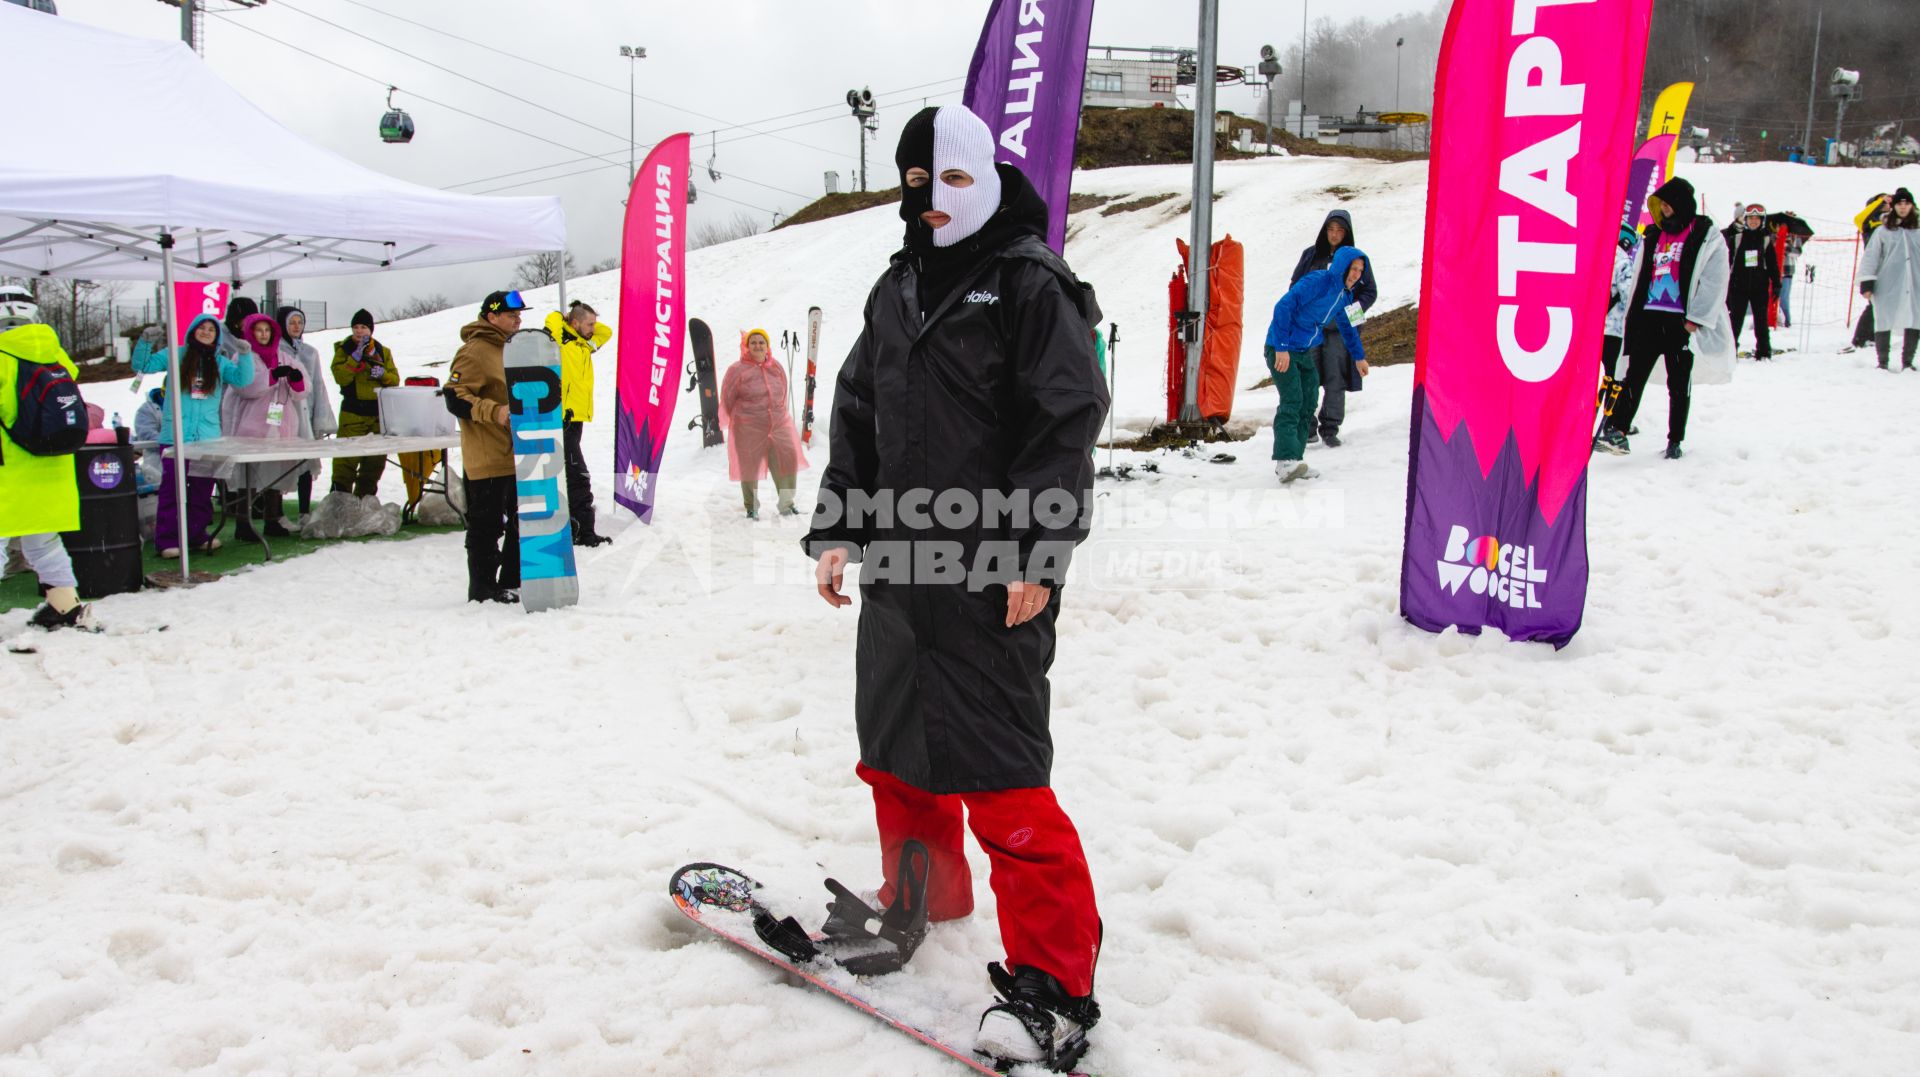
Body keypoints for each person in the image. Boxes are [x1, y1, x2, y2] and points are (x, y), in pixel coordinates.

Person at [804, 104, 1109, 1072]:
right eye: (913, 188)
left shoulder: (1029, 283)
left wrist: (1034, 547)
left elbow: (1067, 416)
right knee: (896, 757)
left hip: (991, 571)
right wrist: (841, 526)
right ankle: (921, 902)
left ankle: (1053, 985)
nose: (930, 207)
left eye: (949, 186)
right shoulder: (894, 289)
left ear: (982, 177)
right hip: (901, 564)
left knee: (1003, 779)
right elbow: (856, 414)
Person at [1595, 176, 1731, 460]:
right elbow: (1639, 276)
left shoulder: (1705, 233)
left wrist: (1696, 318)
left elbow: (1715, 277)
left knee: (1679, 382)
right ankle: (1618, 429)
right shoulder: (1655, 234)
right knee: (1634, 374)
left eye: (1668, 205)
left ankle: (1675, 439)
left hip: (1681, 319)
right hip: (1649, 316)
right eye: (1661, 205)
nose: (1664, 210)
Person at [0, 302, 94, 631]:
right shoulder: (56, 358)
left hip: (9, 472)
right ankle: (65, 606)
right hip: (53, 470)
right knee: (44, 542)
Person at [130, 313, 254, 555]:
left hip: (207, 439)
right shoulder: (176, 355)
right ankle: (167, 540)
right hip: (175, 436)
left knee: (201, 491)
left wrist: (246, 354)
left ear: (217, 336)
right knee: (172, 491)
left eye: (212, 329)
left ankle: (196, 535)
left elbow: (244, 379)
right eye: (202, 327)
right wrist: (145, 342)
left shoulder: (220, 362)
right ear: (192, 330)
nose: (207, 332)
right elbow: (142, 366)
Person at [447, 290, 527, 604]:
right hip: (487, 455)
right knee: (487, 524)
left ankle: (510, 579)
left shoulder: (513, 347)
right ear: (491, 317)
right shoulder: (476, 351)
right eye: (511, 315)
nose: (518, 319)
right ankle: (482, 588)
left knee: (521, 518)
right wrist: (494, 411)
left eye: (520, 314)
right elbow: (455, 396)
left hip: (516, 452)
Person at [1264, 247, 1369, 483]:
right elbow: (1283, 307)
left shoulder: (1347, 296)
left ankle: (1295, 460)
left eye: (1360, 271)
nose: (1356, 274)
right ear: (1342, 265)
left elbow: (1350, 328)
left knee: (1309, 400)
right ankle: (1285, 461)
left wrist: (1359, 357)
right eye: (1353, 268)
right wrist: (1281, 347)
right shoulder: (1318, 280)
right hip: (1281, 348)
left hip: (1303, 351)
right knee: (1292, 400)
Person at [1288, 210, 1377, 446]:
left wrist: (1351, 314)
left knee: (1335, 379)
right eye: (1331, 229)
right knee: (1308, 375)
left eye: (1340, 230)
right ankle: (1307, 427)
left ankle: (1330, 428)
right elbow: (1295, 286)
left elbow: (1370, 292)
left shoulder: (1356, 259)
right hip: (1312, 329)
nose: (1335, 234)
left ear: (1347, 233)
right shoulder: (1311, 255)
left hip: (1339, 331)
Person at [221, 313, 307, 539]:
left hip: (279, 425)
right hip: (251, 425)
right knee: (248, 475)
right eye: (258, 330)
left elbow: (302, 390)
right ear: (250, 332)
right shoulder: (242, 357)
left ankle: (272, 519)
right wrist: (271, 377)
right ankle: (243, 522)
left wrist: (295, 379)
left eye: (267, 330)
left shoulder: (284, 357)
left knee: (275, 472)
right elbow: (245, 387)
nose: (263, 334)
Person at [720, 327, 808, 519]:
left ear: (767, 346)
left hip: (777, 423)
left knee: (788, 460)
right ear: (746, 346)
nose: (758, 346)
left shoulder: (775, 367)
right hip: (748, 425)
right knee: (749, 467)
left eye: (762, 342)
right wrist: (741, 419)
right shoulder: (737, 370)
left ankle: (787, 503)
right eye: (753, 342)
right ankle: (751, 507)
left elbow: (783, 392)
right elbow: (727, 398)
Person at [543, 301, 612, 546]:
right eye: (589, 323)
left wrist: (585, 319)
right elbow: (550, 323)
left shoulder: (585, 344)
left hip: (577, 419)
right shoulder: (562, 343)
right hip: (564, 418)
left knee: (570, 475)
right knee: (578, 476)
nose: (594, 328)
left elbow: (607, 332)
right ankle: (584, 532)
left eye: (594, 323)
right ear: (573, 324)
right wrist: (562, 316)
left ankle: (574, 528)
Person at [330, 309, 397, 497]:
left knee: (374, 464)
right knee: (346, 463)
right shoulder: (343, 350)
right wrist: (354, 358)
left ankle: (364, 505)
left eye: (364, 327)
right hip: (352, 415)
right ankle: (339, 505)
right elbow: (340, 377)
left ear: (371, 330)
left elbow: (395, 379)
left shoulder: (383, 352)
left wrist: (384, 375)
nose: (359, 331)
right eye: (356, 327)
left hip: (377, 416)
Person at [277, 306, 335, 519]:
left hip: (306, 415)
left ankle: (304, 511)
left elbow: (318, 384)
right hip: (283, 414)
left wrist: (321, 418)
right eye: (291, 322)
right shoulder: (276, 350)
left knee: (306, 463)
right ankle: (275, 512)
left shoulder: (310, 352)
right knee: (280, 462)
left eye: (299, 323)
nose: (296, 327)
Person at [1859, 187, 1920, 372]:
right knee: (1883, 318)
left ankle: (1907, 362)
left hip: (1915, 282)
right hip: (1887, 282)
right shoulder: (1883, 230)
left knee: (1915, 318)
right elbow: (1871, 257)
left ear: (1912, 206)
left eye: (1906, 203)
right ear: (1893, 206)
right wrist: (1867, 283)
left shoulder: (1917, 230)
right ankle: (1883, 361)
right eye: (1899, 203)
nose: (1903, 207)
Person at [1723, 203, 1778, 359]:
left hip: (1759, 288)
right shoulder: (1737, 238)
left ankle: (1764, 351)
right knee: (1735, 321)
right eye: (1751, 219)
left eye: (1757, 219)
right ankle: (1729, 352)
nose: (1754, 222)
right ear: (1746, 220)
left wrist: (1776, 285)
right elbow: (1726, 259)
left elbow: (1773, 264)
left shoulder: (1766, 240)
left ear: (1762, 221)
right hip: (1737, 287)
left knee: (1761, 322)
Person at [1843, 194, 1891, 353]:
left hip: (1890, 267)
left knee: (1880, 305)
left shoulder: (1889, 223)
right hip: (1874, 268)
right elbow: (1859, 218)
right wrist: (1880, 201)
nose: (1888, 204)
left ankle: (1870, 337)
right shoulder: (1869, 223)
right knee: (1873, 304)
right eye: (1883, 203)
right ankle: (1861, 339)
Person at [1774, 215, 1805, 329]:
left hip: (1787, 270)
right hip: (1774, 270)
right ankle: (1774, 319)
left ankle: (1787, 320)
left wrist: (1785, 247)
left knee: (1784, 297)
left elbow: (1798, 252)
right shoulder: (1773, 236)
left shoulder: (1794, 237)